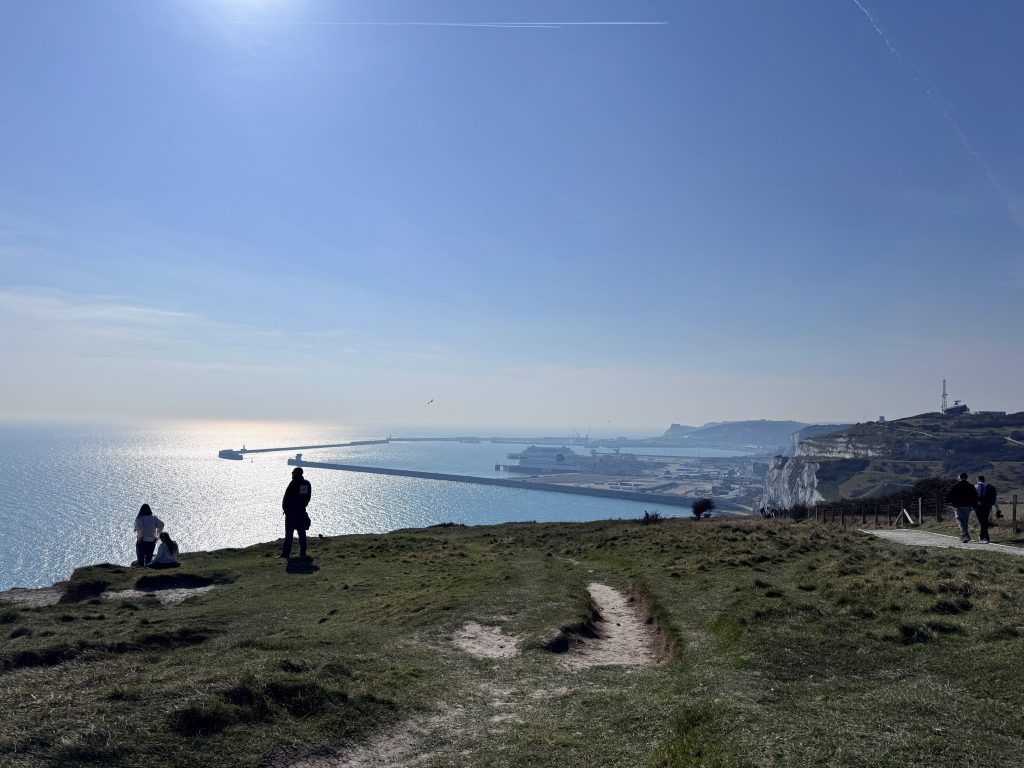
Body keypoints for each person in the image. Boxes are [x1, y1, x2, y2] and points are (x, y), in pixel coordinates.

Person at [281, 467, 312, 559]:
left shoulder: (293, 483)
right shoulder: (306, 484)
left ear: (297, 473)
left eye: (293, 472)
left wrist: (286, 509)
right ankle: (303, 552)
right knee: (301, 533)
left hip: (291, 513)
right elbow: (307, 497)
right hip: (301, 512)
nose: (292, 474)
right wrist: (302, 506)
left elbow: (287, 497)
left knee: (289, 534)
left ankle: (286, 554)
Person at [945, 473, 979, 544]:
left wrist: (949, 502)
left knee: (959, 520)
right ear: (966, 478)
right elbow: (975, 497)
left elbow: (949, 496)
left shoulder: (956, 486)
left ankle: (965, 536)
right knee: (965, 521)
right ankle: (964, 536)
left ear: (959, 477)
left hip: (958, 506)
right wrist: (975, 506)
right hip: (968, 506)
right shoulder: (971, 486)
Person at [975, 475, 999, 544]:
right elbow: (995, 499)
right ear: (984, 480)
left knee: (982, 522)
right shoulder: (990, 488)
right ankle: (984, 536)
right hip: (987, 507)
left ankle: (984, 537)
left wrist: (970, 507)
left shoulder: (975, 487)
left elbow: (972, 498)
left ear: (977, 480)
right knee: (984, 521)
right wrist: (998, 509)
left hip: (978, 507)